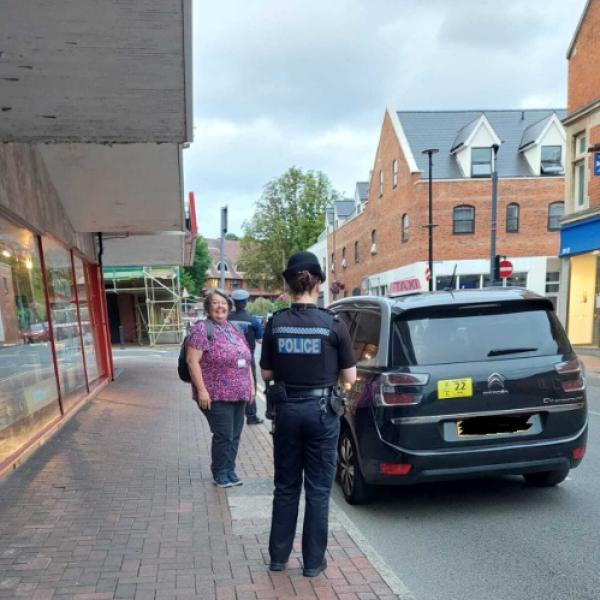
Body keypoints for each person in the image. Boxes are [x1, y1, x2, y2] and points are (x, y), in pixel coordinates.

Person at [260, 251, 356, 578]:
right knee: (317, 489)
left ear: (288, 283)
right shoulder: (333, 325)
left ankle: (278, 557)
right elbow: (350, 377)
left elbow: (266, 374)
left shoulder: (275, 323)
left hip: (286, 411)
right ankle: (313, 563)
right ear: (317, 283)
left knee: (286, 486)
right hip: (321, 413)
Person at [186, 289, 255, 488]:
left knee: (235, 434)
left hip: (239, 393)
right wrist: (201, 390)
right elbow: (192, 362)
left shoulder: (234, 328)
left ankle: (230, 470)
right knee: (223, 434)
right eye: (215, 303)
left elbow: (247, 359)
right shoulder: (201, 329)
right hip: (215, 394)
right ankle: (219, 472)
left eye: (223, 303)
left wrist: (250, 385)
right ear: (208, 308)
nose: (220, 306)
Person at [228, 289, 264, 425]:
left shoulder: (227, 318)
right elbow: (260, 340)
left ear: (234, 303)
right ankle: (251, 416)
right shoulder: (253, 320)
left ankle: (232, 413)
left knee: (231, 383)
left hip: (229, 358)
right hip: (247, 359)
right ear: (246, 302)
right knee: (250, 384)